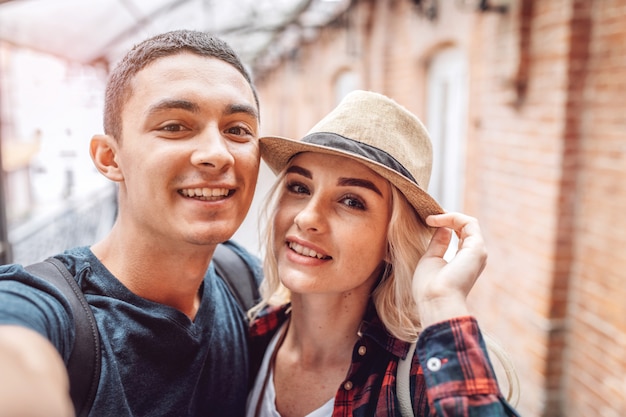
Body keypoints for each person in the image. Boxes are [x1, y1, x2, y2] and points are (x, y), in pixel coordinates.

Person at [0, 30, 262, 417]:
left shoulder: (244, 281)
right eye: (174, 126)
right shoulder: (50, 308)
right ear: (109, 157)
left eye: (237, 130)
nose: (216, 154)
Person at [246, 90, 521, 417]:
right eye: (299, 187)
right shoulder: (248, 336)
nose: (306, 217)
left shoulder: (420, 380)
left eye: (351, 201)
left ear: (392, 243)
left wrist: (442, 303)